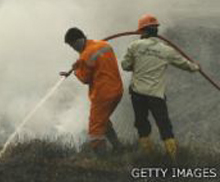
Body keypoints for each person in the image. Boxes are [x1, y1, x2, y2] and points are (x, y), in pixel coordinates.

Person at [121, 14, 200, 159]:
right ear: (156, 31)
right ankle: (173, 157)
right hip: (156, 95)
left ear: (142, 31)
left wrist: (137, 65)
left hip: (138, 94)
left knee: (141, 124)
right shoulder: (166, 50)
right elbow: (185, 64)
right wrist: (195, 67)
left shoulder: (134, 46)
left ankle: (148, 154)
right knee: (164, 125)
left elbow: (125, 65)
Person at [61, 27, 124, 154]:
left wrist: (76, 71)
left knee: (95, 130)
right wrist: (80, 63)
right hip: (117, 90)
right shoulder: (103, 45)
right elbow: (95, 60)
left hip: (102, 95)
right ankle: (119, 149)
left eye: (73, 45)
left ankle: (102, 162)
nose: (73, 49)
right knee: (103, 120)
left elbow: (85, 78)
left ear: (78, 41)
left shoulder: (86, 55)